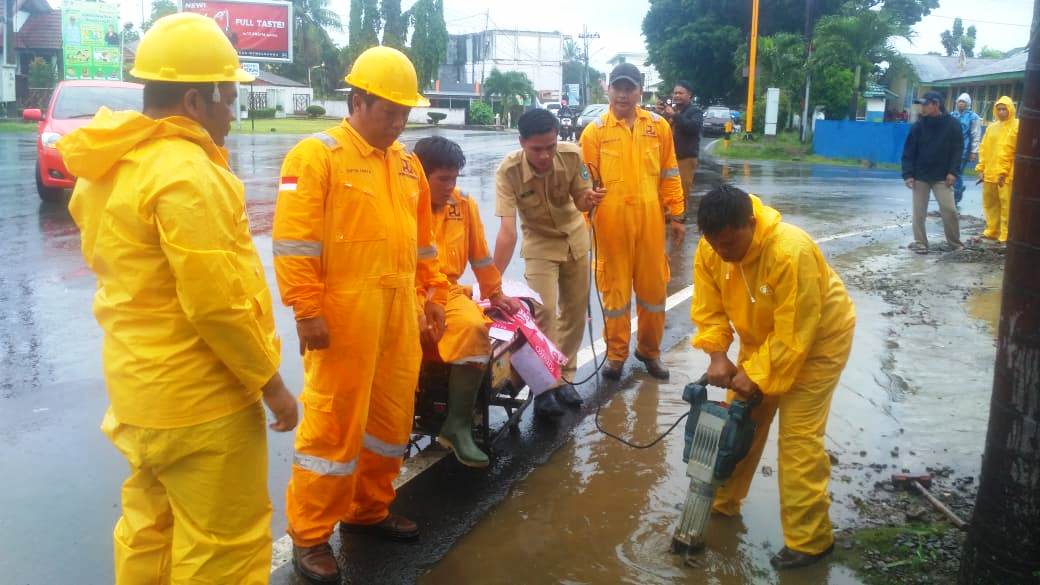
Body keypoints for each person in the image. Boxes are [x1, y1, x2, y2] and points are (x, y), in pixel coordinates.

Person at [57, 13, 297, 584]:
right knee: (223, 549)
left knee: (149, 535)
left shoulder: (113, 165)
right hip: (203, 403)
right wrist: (273, 386)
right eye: (229, 99)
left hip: (140, 397)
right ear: (196, 99)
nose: (233, 114)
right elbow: (217, 304)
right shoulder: (186, 173)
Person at [273, 46, 450, 583]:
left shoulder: (406, 164)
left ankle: (368, 509)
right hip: (342, 313)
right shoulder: (316, 155)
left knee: (390, 420)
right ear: (357, 100)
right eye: (388, 111)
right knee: (334, 428)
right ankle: (310, 535)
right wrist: (306, 310)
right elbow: (294, 242)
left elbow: (422, 245)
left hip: (398, 310)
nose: (398, 123)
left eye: (405, 113)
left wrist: (433, 293)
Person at [691, 185, 856, 570]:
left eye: (731, 245)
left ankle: (810, 541)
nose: (724, 255)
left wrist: (756, 374)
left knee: (798, 440)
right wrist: (717, 355)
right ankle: (722, 503)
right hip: (763, 339)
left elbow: (796, 333)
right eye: (716, 247)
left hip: (818, 343)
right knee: (739, 424)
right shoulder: (712, 249)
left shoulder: (790, 250)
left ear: (751, 223)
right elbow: (708, 307)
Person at [413, 136, 523, 467]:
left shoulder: (464, 205)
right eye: (442, 179)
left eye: (455, 178)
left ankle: (458, 425)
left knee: (475, 329)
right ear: (421, 175)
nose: (451, 186)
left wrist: (496, 294)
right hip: (406, 290)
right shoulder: (401, 203)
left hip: (446, 292)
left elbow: (480, 257)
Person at [493, 108, 604, 417]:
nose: (544, 155)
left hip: (575, 239)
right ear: (521, 142)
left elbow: (580, 199)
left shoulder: (571, 155)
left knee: (575, 312)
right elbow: (506, 230)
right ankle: (546, 387)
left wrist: (591, 199)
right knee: (543, 312)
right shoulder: (508, 171)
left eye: (550, 146)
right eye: (536, 149)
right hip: (539, 243)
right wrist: (491, 283)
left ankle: (565, 376)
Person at [580, 62, 684, 380]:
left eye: (630, 88)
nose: (623, 94)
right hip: (611, 225)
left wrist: (677, 214)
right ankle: (615, 355)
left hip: (651, 222)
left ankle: (650, 352)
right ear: (607, 89)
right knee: (615, 293)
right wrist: (586, 221)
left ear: (640, 90)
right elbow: (583, 184)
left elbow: (670, 172)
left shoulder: (658, 127)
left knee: (654, 292)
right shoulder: (594, 132)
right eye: (618, 87)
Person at [901, 91, 964, 254]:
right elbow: (909, 151)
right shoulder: (919, 126)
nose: (922, 107)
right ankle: (920, 242)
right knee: (919, 212)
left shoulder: (952, 125)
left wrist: (953, 172)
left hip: (943, 177)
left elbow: (957, 150)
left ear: (936, 104)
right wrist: (908, 174)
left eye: (925, 104)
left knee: (949, 210)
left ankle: (955, 243)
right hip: (920, 175)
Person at [975, 96, 1019, 243]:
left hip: (1006, 174)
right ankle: (992, 230)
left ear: (1010, 109)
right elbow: (984, 149)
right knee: (990, 204)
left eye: (1004, 109)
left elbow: (1011, 150)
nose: (1001, 112)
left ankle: (1005, 233)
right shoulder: (992, 128)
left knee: (1006, 204)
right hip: (990, 173)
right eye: (998, 109)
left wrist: (1004, 172)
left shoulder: (1017, 126)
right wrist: (981, 169)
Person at [659, 80, 703, 198]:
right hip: (669, 158)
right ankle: (669, 214)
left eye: (680, 93)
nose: (677, 96)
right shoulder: (672, 110)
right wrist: (662, 114)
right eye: (675, 93)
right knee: (668, 187)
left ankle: (681, 215)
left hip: (685, 159)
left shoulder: (695, 111)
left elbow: (693, 128)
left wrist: (674, 115)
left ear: (689, 95)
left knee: (682, 190)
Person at [950, 93, 982, 206]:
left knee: (956, 172)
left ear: (967, 103)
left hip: (964, 150)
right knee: (951, 172)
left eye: (963, 102)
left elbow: (976, 135)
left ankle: (957, 194)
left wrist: (974, 152)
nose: (960, 103)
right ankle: (957, 190)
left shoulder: (973, 117)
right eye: (959, 101)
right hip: (950, 150)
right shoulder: (952, 115)